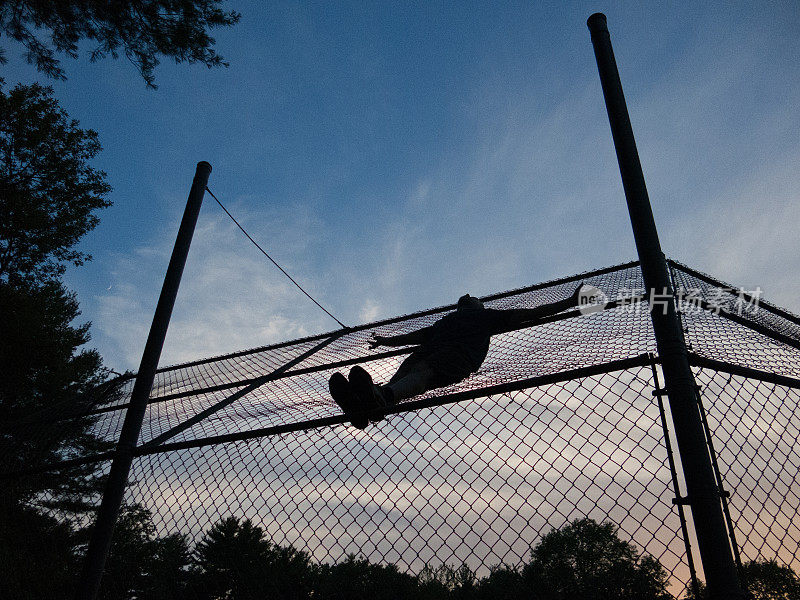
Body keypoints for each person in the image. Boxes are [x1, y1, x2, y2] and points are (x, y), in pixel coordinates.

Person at [329, 284, 586, 429]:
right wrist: (387, 341)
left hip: (456, 357)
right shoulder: (453, 319)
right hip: (429, 352)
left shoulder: (481, 317)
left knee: (423, 372)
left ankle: (379, 398)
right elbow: (418, 336)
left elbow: (532, 313)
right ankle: (371, 402)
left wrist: (569, 302)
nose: (471, 299)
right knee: (409, 368)